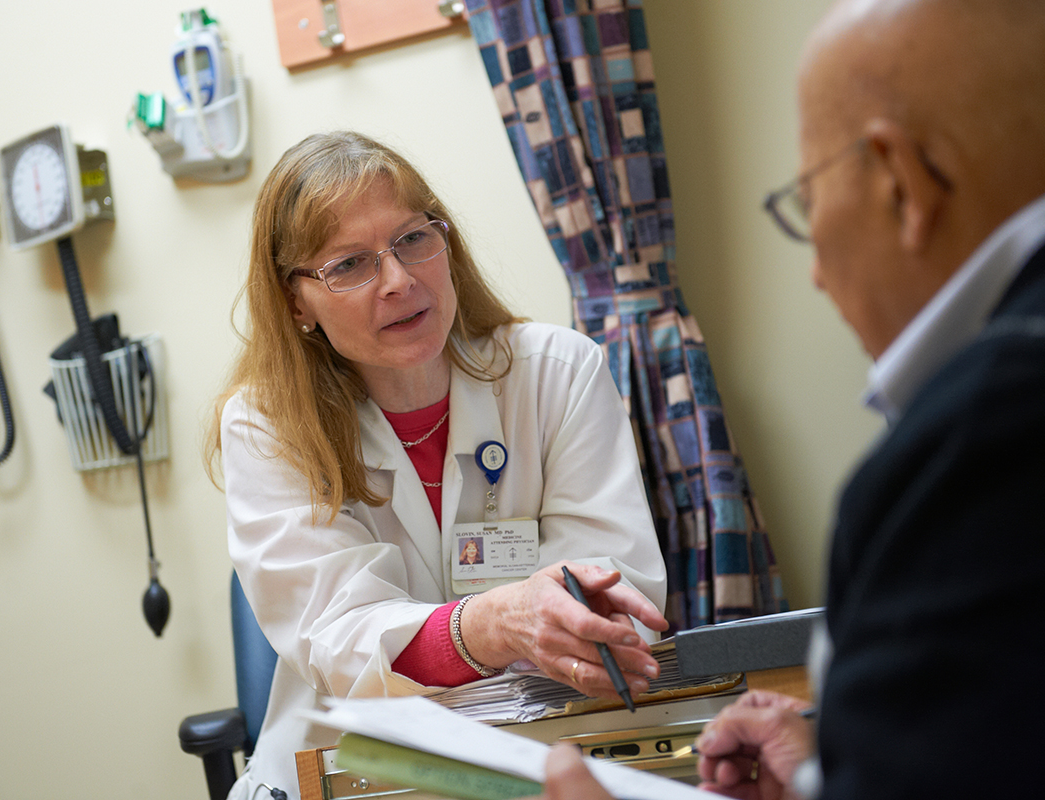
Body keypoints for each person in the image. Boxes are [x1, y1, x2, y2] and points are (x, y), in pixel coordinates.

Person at [533, 0, 1045, 798]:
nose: (815, 272)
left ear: (902, 183)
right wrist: (825, 770)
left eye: (806, 202)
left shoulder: (979, 447)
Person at [208, 130, 669, 800]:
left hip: (542, 749)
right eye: (349, 265)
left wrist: (568, 620)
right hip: (351, 768)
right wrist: (494, 622)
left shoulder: (559, 373)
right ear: (296, 302)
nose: (398, 281)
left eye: (412, 240)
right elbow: (341, 640)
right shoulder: (265, 423)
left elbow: (614, 603)